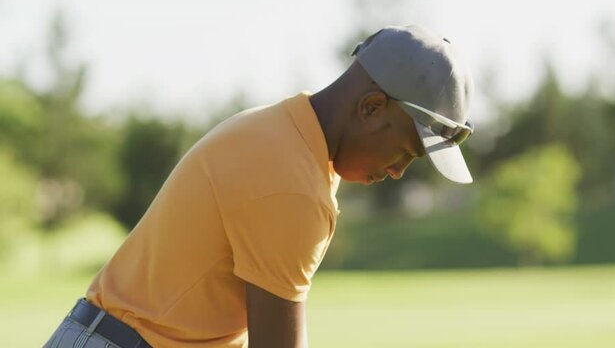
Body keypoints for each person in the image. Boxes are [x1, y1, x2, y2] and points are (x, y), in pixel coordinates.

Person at [44, 25, 475, 348]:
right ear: (370, 107)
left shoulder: (284, 132)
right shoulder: (294, 186)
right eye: (404, 151)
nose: (398, 171)